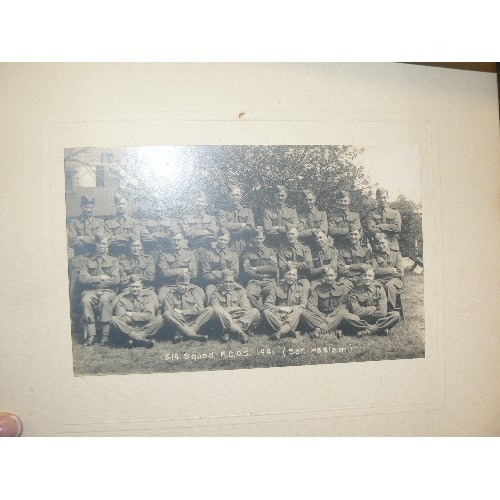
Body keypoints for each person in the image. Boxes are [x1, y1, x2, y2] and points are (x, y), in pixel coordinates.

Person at [67, 195, 106, 324]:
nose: (88, 210)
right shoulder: (74, 223)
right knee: (75, 292)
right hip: (78, 259)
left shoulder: (99, 222)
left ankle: (93, 323)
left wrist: (82, 237)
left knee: (94, 289)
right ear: (81, 207)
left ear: (93, 208)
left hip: (94, 259)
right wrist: (90, 239)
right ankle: (75, 323)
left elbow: (98, 241)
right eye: (86, 207)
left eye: (90, 207)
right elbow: (72, 242)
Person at [78, 234, 120, 346]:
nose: (101, 246)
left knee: (105, 300)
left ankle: (105, 336)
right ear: (95, 244)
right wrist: (100, 278)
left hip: (108, 291)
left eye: (103, 243)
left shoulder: (114, 260)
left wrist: (91, 279)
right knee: (86, 300)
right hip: (90, 292)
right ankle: (92, 335)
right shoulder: (87, 260)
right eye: (98, 243)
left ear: (107, 245)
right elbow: (82, 279)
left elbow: (115, 280)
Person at [302, 266, 363, 338]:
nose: (329, 278)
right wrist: (323, 316)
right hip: (322, 317)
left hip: (337, 315)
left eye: (331, 275)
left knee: (352, 317)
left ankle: (321, 330)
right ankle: (333, 331)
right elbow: (311, 306)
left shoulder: (343, 288)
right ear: (323, 276)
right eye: (326, 275)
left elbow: (342, 305)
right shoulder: (317, 289)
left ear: (336, 276)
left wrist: (331, 317)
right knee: (304, 313)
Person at [110, 275, 163, 348]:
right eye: (132, 287)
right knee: (113, 320)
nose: (135, 289)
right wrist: (142, 316)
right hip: (128, 328)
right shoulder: (122, 300)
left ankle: (133, 339)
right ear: (128, 287)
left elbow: (150, 316)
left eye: (137, 287)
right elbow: (122, 319)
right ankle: (141, 340)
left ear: (141, 286)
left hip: (144, 328)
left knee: (160, 318)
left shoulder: (147, 298)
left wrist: (131, 314)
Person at [344, 267, 400, 336]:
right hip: (362, 320)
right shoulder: (355, 292)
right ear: (361, 277)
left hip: (379, 318)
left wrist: (366, 310)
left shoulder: (379, 289)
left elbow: (382, 312)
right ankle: (379, 329)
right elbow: (356, 312)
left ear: (373, 278)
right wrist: (373, 309)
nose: (367, 278)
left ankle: (367, 331)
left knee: (395, 315)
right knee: (347, 317)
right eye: (365, 275)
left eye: (370, 276)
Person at [209, 269, 260, 343]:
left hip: (239, 318)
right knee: (217, 312)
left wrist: (227, 310)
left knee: (254, 311)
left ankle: (228, 332)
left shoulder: (240, 291)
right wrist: (236, 308)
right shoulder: (215, 293)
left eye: (231, 282)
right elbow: (217, 309)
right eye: (226, 282)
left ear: (234, 282)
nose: (228, 284)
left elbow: (246, 308)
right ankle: (241, 333)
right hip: (224, 319)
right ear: (221, 281)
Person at [263, 263, 309, 340]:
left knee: (299, 310)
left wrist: (291, 309)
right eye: (289, 274)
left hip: (294, 316)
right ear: (284, 275)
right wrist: (282, 308)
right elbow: (267, 305)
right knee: (266, 312)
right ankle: (288, 330)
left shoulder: (301, 288)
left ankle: (280, 332)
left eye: (293, 275)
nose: (291, 277)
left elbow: (303, 305)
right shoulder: (276, 287)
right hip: (279, 317)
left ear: (297, 276)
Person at [162, 271, 212, 343]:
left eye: (185, 285)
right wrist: (192, 311)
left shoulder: (194, 293)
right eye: (181, 284)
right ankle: (192, 335)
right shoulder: (170, 296)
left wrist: (183, 312)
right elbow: (170, 313)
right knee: (166, 314)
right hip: (178, 323)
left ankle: (183, 334)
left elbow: (200, 309)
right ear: (176, 283)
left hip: (193, 322)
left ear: (189, 284)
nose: (183, 287)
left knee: (209, 310)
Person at [241, 227, 279, 311]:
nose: (259, 241)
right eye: (256, 239)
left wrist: (256, 268)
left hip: (269, 281)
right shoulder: (247, 253)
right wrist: (264, 275)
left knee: (273, 292)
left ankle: (269, 311)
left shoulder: (271, 251)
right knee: (249, 294)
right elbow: (248, 271)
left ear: (264, 238)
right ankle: (261, 311)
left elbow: (274, 268)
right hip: (254, 281)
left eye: (260, 238)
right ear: (252, 239)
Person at [118, 236, 159, 311]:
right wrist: (134, 277)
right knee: (119, 305)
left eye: (138, 246)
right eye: (133, 246)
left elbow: (150, 277)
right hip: (129, 289)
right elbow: (122, 280)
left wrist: (133, 276)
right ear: (129, 247)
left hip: (146, 288)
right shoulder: (123, 261)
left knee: (155, 305)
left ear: (141, 247)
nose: (136, 248)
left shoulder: (149, 259)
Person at [157, 233, 198, 302]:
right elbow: (164, 273)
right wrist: (182, 270)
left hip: (187, 285)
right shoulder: (164, 254)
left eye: (178, 240)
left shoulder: (190, 254)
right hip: (170, 285)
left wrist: (172, 271)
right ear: (170, 241)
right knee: (161, 298)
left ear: (182, 241)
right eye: (174, 240)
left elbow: (193, 274)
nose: (176, 242)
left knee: (201, 295)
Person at [181, 193, 218, 270]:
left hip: (207, 248)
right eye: (197, 201)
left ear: (205, 204)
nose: (199, 204)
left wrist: (194, 233)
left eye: (201, 202)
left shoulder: (211, 218)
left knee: (206, 269)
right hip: (192, 248)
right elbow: (187, 233)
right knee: (193, 270)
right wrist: (205, 232)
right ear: (194, 203)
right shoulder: (187, 218)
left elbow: (213, 234)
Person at [202, 228, 240, 302]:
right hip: (214, 284)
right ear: (217, 239)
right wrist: (225, 273)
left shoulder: (233, 254)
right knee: (209, 294)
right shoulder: (209, 254)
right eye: (221, 239)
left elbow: (235, 273)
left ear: (229, 240)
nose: (223, 242)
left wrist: (217, 273)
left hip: (230, 283)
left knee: (242, 292)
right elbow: (206, 274)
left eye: (225, 240)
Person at [370, 232, 404, 311]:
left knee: (389, 286)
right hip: (380, 280)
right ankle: (377, 310)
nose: (381, 246)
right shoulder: (374, 255)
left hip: (395, 280)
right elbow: (375, 270)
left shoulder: (396, 254)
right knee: (373, 286)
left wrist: (383, 271)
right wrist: (392, 270)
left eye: (383, 243)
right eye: (378, 244)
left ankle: (390, 311)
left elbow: (400, 273)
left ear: (387, 242)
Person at [218, 184, 255, 256]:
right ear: (229, 196)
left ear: (241, 197)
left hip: (245, 243)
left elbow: (251, 227)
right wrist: (242, 225)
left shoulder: (248, 211)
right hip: (229, 243)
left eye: (237, 195)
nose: (235, 197)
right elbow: (224, 225)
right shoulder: (223, 211)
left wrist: (233, 229)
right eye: (232, 195)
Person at [263, 185, 300, 249]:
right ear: (275, 196)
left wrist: (276, 227)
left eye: (282, 195)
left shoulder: (292, 211)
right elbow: (267, 229)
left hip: (288, 244)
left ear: (286, 196)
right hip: (272, 244)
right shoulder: (268, 211)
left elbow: (296, 226)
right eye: (278, 195)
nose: (280, 198)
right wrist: (287, 228)